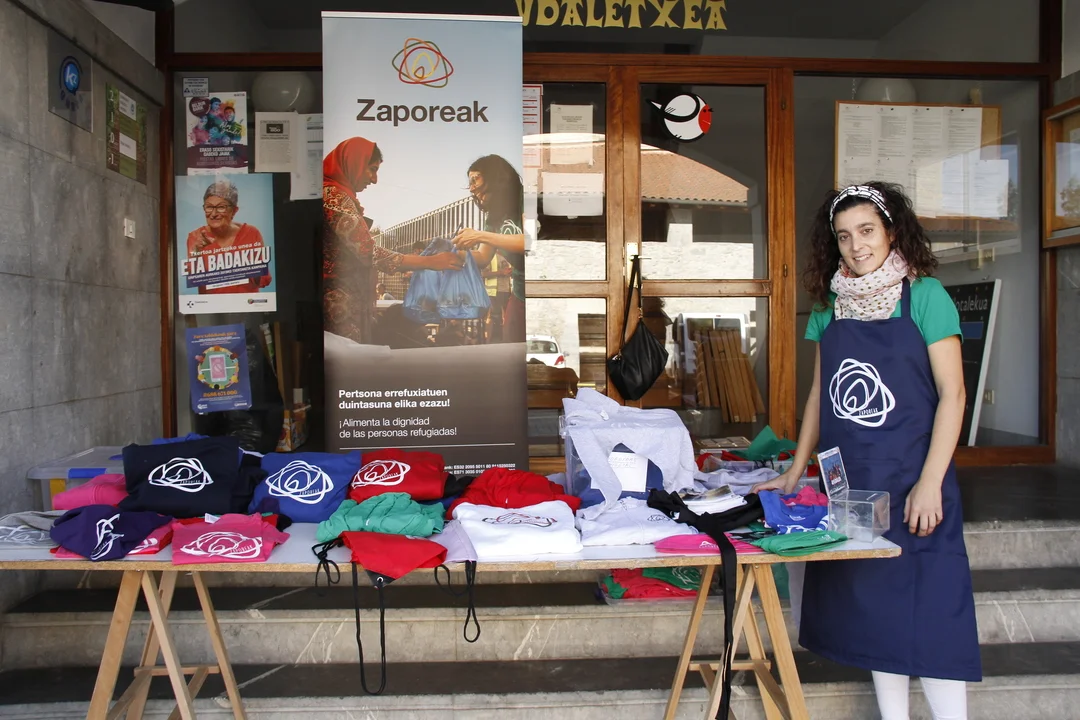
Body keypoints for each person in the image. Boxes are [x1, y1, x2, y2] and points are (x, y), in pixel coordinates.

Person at [752, 183, 979, 720]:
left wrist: (930, 483)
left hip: (915, 482)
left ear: (892, 232)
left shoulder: (926, 296)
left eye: (867, 231)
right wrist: (795, 470)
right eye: (844, 236)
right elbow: (819, 394)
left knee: (933, 618)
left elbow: (953, 395)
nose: (856, 245)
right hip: (852, 488)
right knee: (876, 616)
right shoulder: (830, 306)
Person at [323, 137, 463, 344]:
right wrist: (431, 262)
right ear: (354, 162)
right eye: (372, 169)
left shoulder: (341, 197)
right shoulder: (333, 197)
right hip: (339, 308)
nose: (374, 179)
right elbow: (370, 253)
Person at [452, 154, 526, 343]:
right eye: (469, 182)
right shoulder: (493, 216)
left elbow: (529, 242)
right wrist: (453, 252)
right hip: (520, 293)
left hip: (543, 290)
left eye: (475, 179)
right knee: (512, 347)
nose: (471, 187)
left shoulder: (526, 198)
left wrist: (479, 235)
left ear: (496, 177)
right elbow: (483, 256)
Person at [185, 179, 271, 295]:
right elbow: (192, 279)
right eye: (209, 207)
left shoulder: (251, 233)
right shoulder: (196, 237)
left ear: (234, 211)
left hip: (246, 303)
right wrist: (196, 253)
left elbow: (264, 280)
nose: (213, 214)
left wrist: (251, 266)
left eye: (221, 207)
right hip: (212, 304)